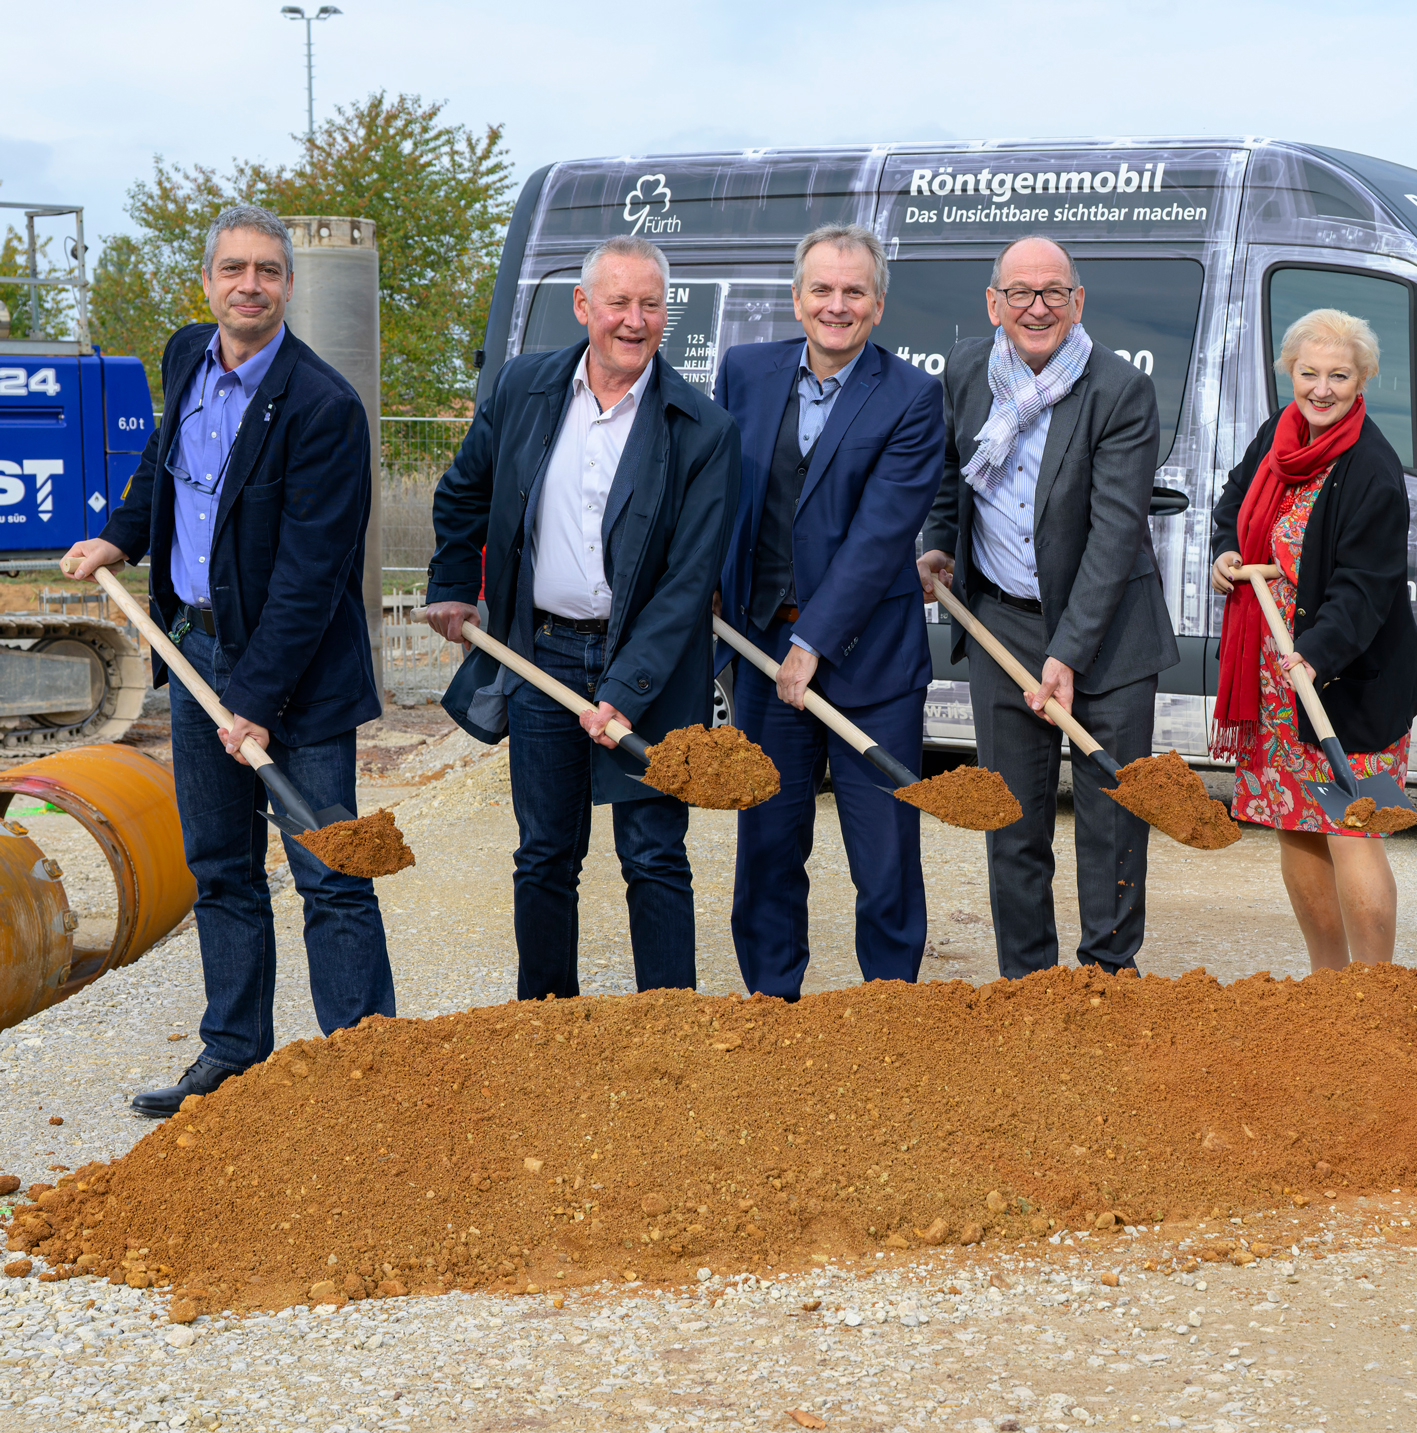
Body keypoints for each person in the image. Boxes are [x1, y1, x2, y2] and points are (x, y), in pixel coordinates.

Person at [63, 204, 393, 1116]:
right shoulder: (187, 357)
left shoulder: (324, 406)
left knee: (329, 867)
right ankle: (235, 1055)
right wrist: (121, 536)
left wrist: (253, 697)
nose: (251, 286)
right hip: (197, 648)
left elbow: (312, 576)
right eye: (234, 269)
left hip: (295, 673)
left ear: (288, 285)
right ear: (207, 281)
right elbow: (161, 463)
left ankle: (368, 1072)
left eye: (268, 271)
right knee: (221, 866)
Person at [423, 235, 738, 1002]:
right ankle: (545, 1024)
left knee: (654, 853)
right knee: (544, 853)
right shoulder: (524, 388)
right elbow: (464, 491)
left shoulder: (701, 428)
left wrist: (625, 690)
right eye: (618, 302)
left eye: (651, 304)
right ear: (582, 305)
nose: (634, 320)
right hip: (542, 658)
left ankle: (666, 1025)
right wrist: (455, 582)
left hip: (652, 671)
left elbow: (689, 582)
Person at [917, 235, 1179, 979]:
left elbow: (1114, 534)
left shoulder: (1120, 390)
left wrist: (1066, 652)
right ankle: (1027, 984)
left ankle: (1106, 976)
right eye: (1021, 293)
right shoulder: (966, 372)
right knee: (1013, 819)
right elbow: (951, 471)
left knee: (1112, 816)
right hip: (1001, 623)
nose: (1038, 307)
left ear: (1078, 302)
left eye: (1054, 292)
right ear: (993, 303)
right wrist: (940, 543)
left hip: (1110, 636)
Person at [715, 224, 945, 999]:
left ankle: (888, 1004)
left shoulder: (912, 396)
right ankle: (771, 1000)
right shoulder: (745, 373)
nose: (836, 305)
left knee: (884, 856)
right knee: (767, 847)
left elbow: (881, 535)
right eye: (822, 289)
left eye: (853, 292)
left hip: (870, 664)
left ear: (877, 305)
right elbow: (720, 494)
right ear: (796, 298)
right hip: (761, 651)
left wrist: (813, 640)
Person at [1209, 309, 1417, 969]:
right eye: (1309, 373)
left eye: (1339, 375)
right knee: (1296, 824)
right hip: (1274, 680)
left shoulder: (1372, 467)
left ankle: (1374, 990)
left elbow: (1366, 585)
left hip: (1345, 678)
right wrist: (1225, 550)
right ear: (1289, 372)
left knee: (1352, 827)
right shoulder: (1279, 434)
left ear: (1363, 380)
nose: (1321, 389)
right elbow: (1235, 499)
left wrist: (1316, 653)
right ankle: (1329, 987)